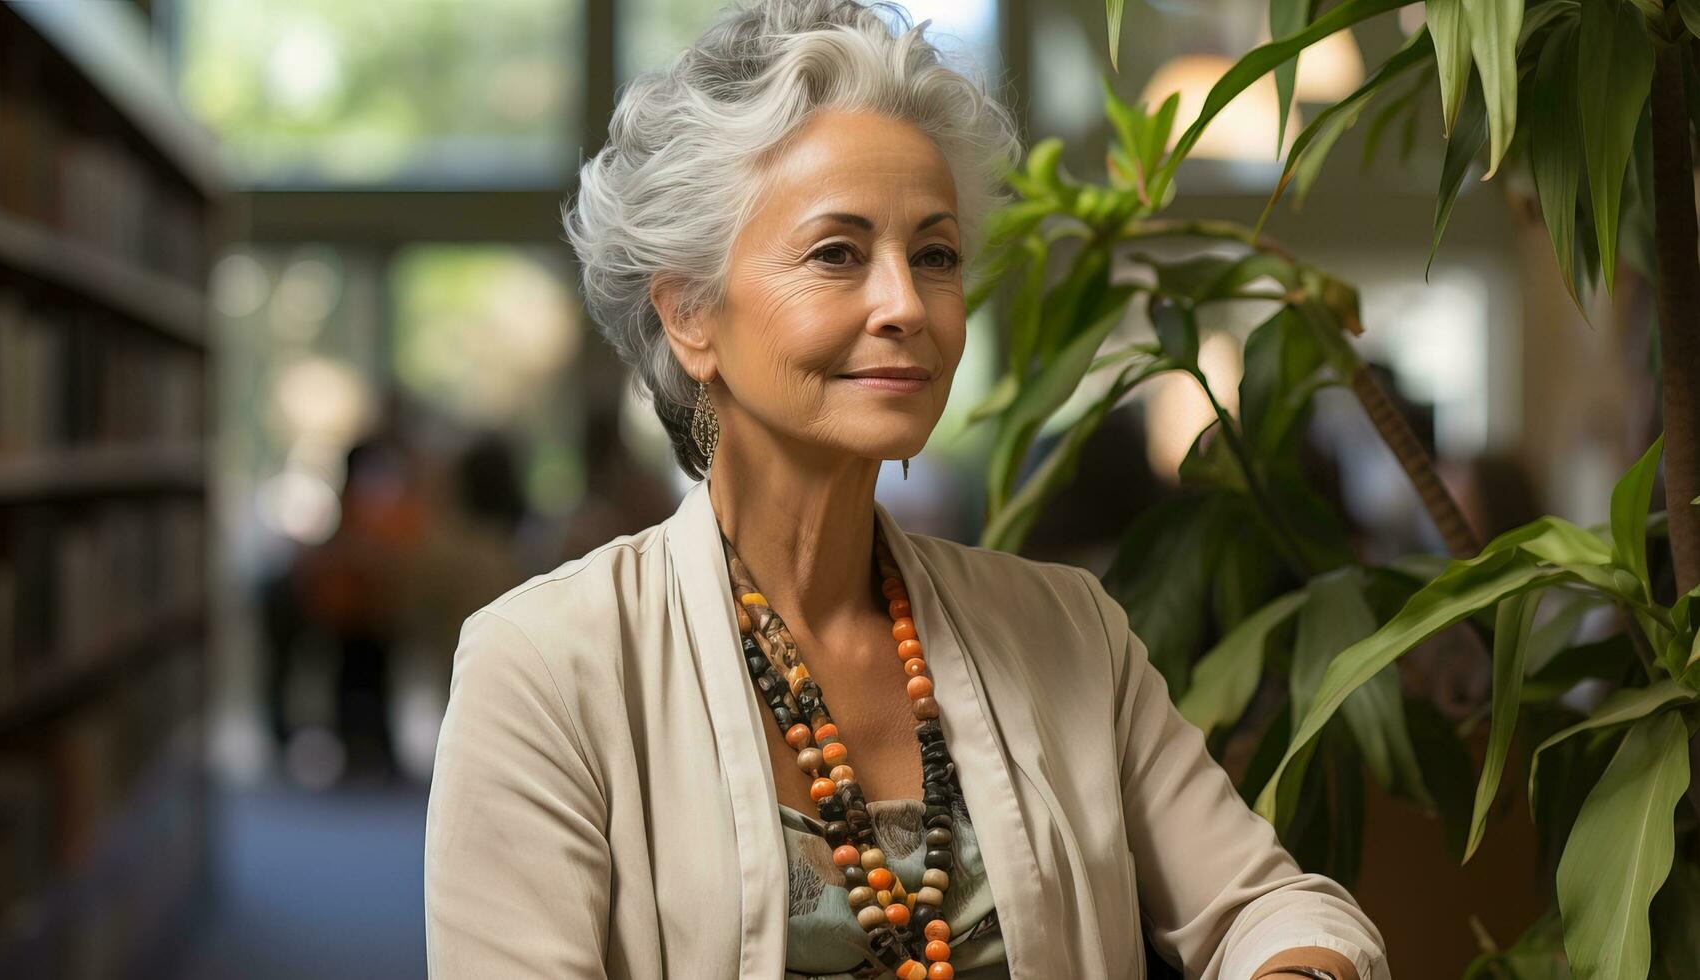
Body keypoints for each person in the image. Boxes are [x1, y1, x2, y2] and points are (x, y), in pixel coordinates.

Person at [424, 3, 1389, 978]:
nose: (906, 306)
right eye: (837, 253)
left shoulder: (1068, 630)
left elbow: (1272, 904)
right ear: (690, 315)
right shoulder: (545, 666)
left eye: (935, 256)